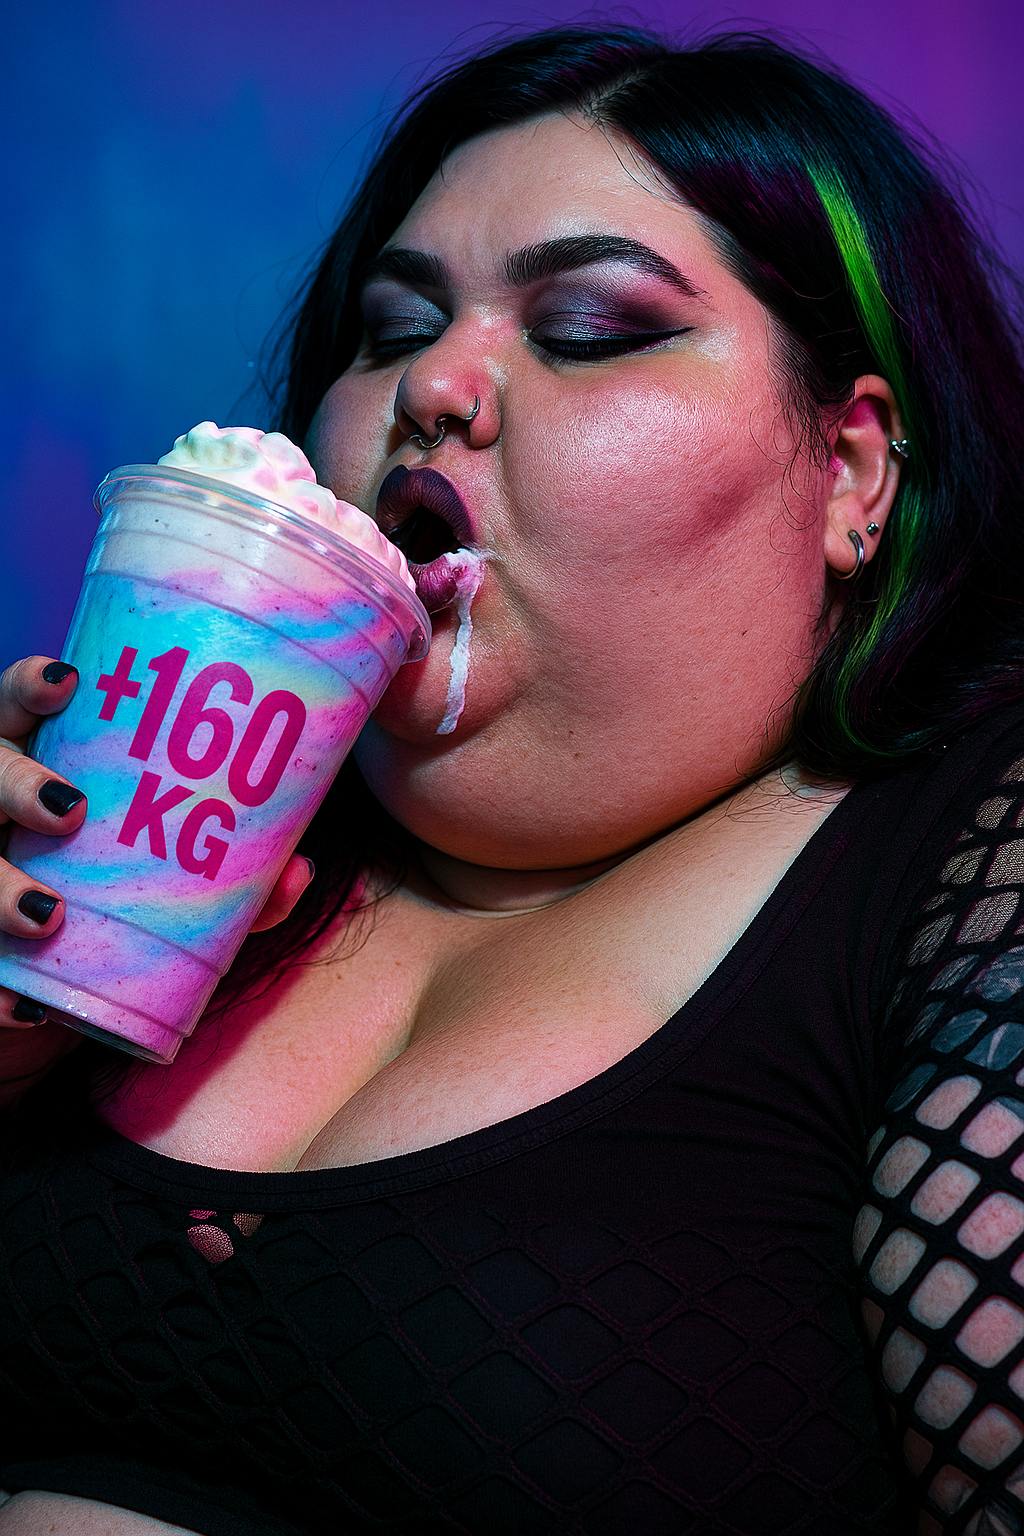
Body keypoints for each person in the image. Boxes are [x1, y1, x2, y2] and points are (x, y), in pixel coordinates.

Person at [1, 23, 1023, 1535]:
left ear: (851, 471)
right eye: (390, 327)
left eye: (590, 327)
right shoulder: (144, 836)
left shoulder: (969, 873)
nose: (433, 382)